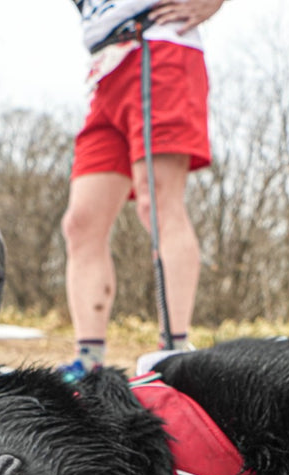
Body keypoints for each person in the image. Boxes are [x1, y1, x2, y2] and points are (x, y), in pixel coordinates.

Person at [61, 0, 227, 378]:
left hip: (158, 46)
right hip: (106, 67)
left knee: (158, 202)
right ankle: (87, 362)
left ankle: (174, 350)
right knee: (81, 222)